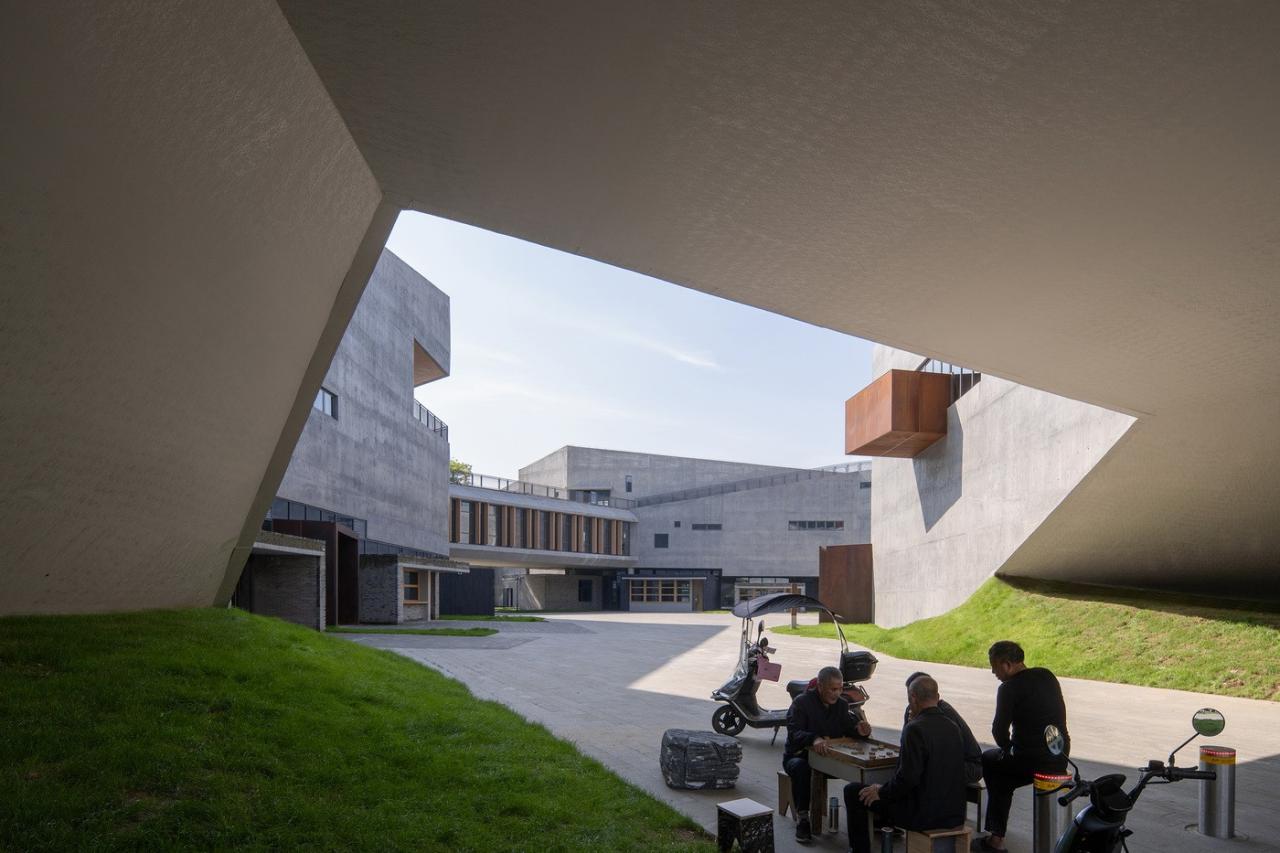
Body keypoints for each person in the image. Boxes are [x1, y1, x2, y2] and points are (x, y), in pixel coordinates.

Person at [845, 676, 966, 853]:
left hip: (923, 815)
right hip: (954, 813)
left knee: (854, 791)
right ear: (937, 697)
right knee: (884, 791)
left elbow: (908, 778)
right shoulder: (953, 726)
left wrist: (881, 791)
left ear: (913, 698)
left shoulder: (915, 728)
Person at [975, 641, 1070, 852]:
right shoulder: (1047, 676)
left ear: (1007, 664)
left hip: (1031, 761)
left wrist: (1008, 748)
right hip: (1060, 755)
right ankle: (997, 835)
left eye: (994, 666)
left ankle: (996, 838)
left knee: (992, 764)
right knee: (1003, 773)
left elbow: (999, 731)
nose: (993, 672)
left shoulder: (1008, 688)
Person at [783, 665, 871, 844]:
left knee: (863, 770)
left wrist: (860, 730)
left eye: (839, 689)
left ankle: (876, 818)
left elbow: (848, 728)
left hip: (829, 759)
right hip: (799, 756)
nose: (837, 693)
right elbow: (794, 733)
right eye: (832, 689)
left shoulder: (841, 705)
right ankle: (803, 818)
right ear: (820, 686)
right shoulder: (801, 703)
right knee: (801, 768)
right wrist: (813, 738)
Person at [903, 671, 983, 785]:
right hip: (949, 762)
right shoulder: (911, 710)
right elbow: (907, 748)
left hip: (969, 766)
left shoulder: (943, 714)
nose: (912, 701)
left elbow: (940, 754)